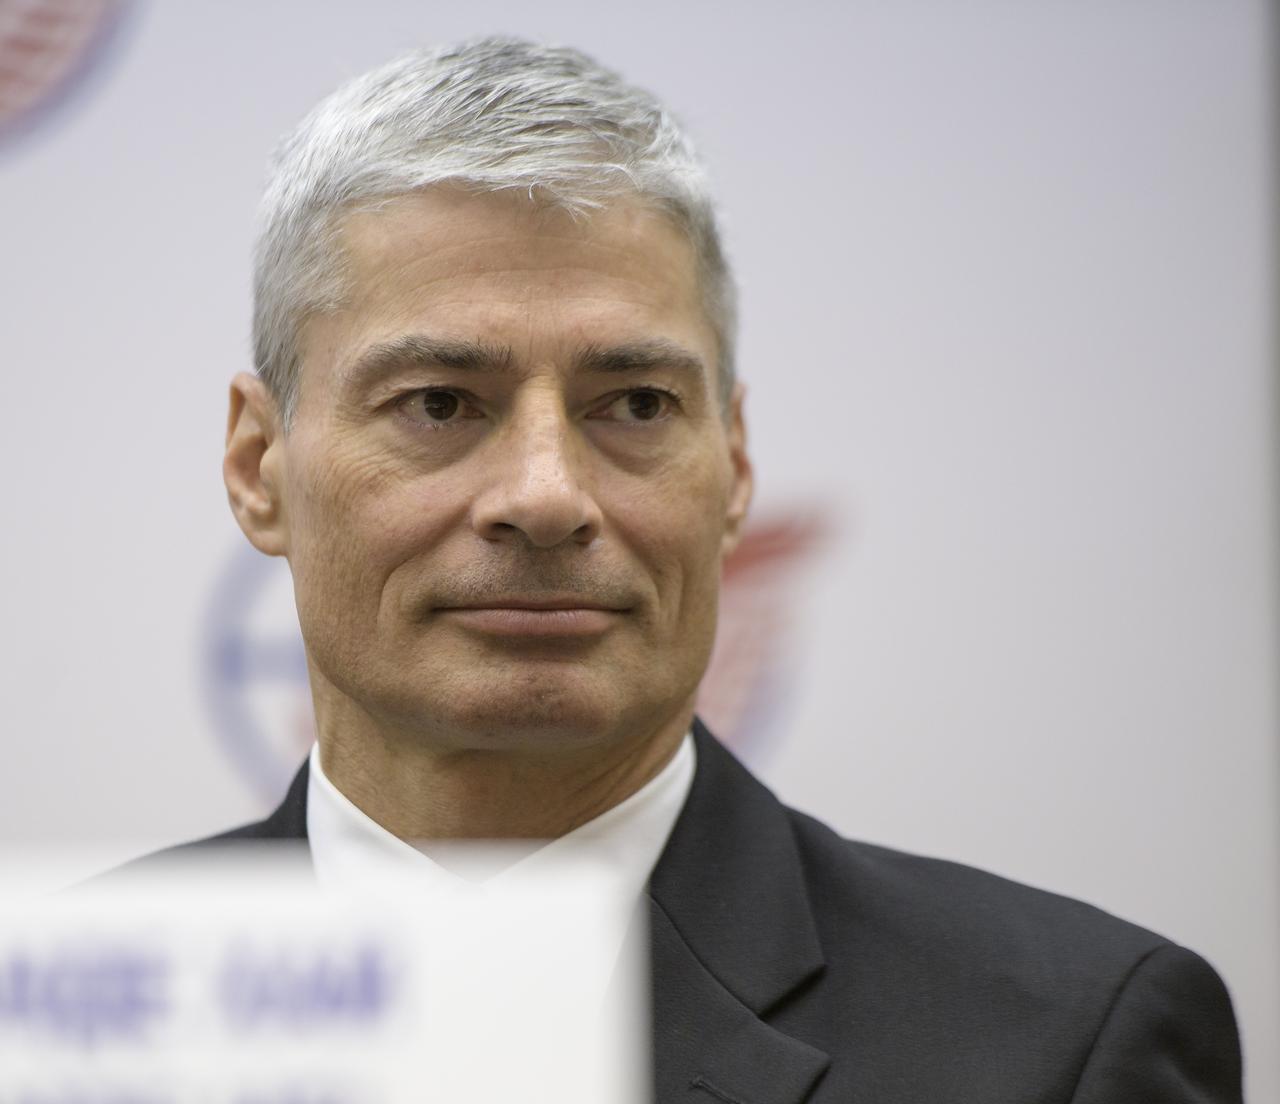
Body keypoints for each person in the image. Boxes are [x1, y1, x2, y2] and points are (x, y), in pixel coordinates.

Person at [174, 36, 1241, 1101]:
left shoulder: (1065, 1042)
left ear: (732, 467)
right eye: (439, 402)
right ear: (257, 467)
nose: (546, 497)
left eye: (635, 405)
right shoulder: (40, 1030)